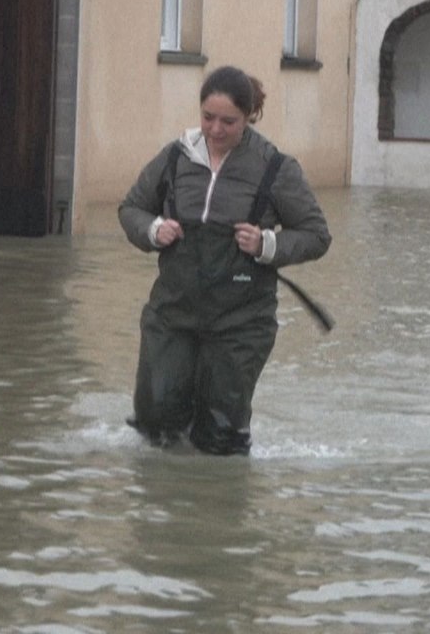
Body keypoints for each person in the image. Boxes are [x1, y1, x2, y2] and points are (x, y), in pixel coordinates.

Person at [118, 66, 332, 456]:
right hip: (173, 312)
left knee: (220, 437)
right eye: (208, 118)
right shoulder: (175, 157)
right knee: (155, 419)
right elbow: (132, 208)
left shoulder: (276, 168)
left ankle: (218, 505)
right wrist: (153, 230)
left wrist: (267, 244)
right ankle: (165, 508)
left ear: (249, 116)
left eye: (228, 121)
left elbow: (317, 235)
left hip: (241, 322)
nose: (215, 129)